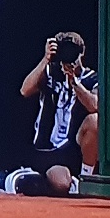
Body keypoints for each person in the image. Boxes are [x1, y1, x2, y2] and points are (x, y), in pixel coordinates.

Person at [16, 32, 99, 196]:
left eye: (72, 50)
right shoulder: (50, 73)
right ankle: (30, 178)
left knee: (95, 121)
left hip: (73, 147)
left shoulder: (92, 78)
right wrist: (45, 59)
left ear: (82, 52)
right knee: (61, 184)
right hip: (47, 148)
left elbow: (95, 105)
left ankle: (86, 180)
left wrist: (74, 82)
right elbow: (25, 90)